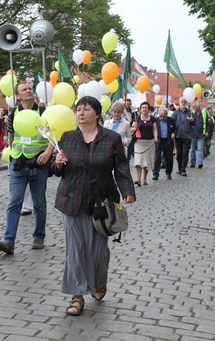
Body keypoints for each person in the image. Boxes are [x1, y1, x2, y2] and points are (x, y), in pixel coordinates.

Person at [51, 96, 135, 316]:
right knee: (75, 250)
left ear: (97, 114)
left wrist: (127, 192)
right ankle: (77, 296)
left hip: (100, 203)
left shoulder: (112, 139)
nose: (80, 113)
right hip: (71, 200)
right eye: (78, 109)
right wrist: (57, 164)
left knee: (98, 252)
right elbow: (57, 169)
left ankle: (99, 280)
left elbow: (121, 167)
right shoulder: (67, 137)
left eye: (86, 109)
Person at [0, 81, 53, 255]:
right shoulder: (14, 113)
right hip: (18, 164)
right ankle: (9, 241)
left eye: (30, 88)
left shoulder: (42, 113)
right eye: (24, 89)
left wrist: (48, 153)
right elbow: (11, 136)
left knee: (39, 203)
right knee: (14, 202)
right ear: (18, 96)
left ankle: (39, 236)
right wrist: (13, 153)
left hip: (38, 164)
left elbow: (51, 137)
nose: (28, 91)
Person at [130, 102, 157, 185]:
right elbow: (132, 129)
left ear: (149, 109)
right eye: (143, 107)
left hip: (149, 142)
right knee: (138, 161)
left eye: (146, 107)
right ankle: (138, 179)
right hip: (139, 142)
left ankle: (144, 178)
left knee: (147, 161)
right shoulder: (137, 118)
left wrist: (156, 137)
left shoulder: (152, 118)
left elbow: (155, 129)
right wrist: (134, 129)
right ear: (140, 109)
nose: (144, 109)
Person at [152, 107, 176, 180]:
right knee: (156, 158)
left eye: (164, 116)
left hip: (168, 141)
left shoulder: (171, 120)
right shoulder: (155, 121)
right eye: (161, 116)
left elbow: (175, 128)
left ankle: (168, 173)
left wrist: (174, 133)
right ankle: (155, 173)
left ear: (166, 115)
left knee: (169, 158)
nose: (162, 117)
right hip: (158, 140)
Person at [171, 97, 193, 176]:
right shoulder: (176, 113)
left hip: (187, 136)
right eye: (182, 101)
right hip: (178, 135)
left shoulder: (190, 112)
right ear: (179, 103)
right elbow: (172, 123)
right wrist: (173, 132)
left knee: (185, 153)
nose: (183, 103)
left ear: (187, 103)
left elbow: (194, 124)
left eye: (184, 101)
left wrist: (192, 121)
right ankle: (180, 167)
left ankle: (183, 169)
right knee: (179, 154)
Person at [189, 101, 212, 169]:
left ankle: (200, 163)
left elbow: (208, 124)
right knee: (192, 149)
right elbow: (189, 124)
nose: (193, 107)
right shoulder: (192, 113)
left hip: (201, 134)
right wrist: (191, 121)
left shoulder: (204, 113)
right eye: (193, 106)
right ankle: (193, 162)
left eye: (194, 106)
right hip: (193, 134)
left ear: (198, 107)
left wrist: (207, 131)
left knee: (200, 149)